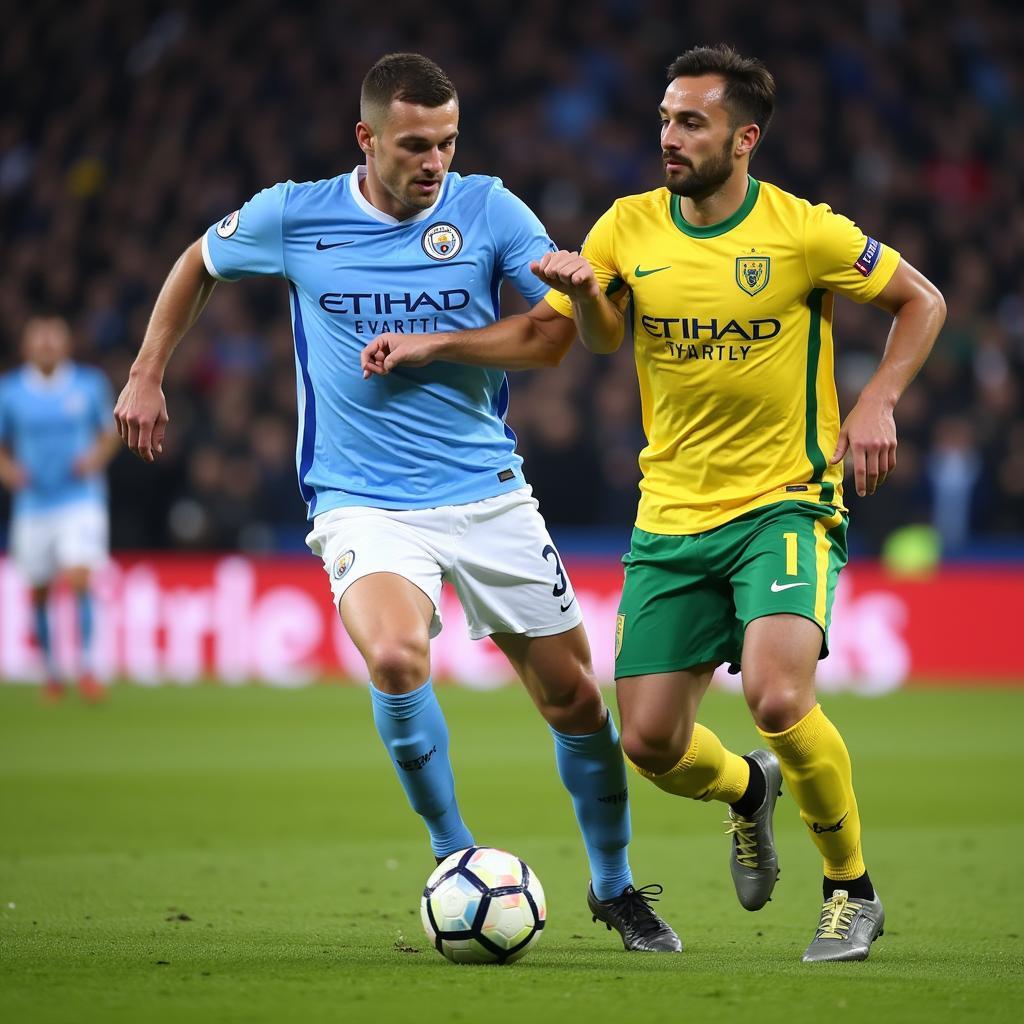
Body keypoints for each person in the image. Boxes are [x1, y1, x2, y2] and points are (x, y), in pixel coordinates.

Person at [360, 44, 946, 962]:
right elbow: (593, 340)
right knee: (648, 743)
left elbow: (923, 300)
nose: (668, 137)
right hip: (670, 516)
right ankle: (748, 794)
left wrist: (878, 400)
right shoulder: (626, 227)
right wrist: (586, 297)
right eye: (666, 119)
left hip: (783, 504)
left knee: (778, 696)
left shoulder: (805, 233)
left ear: (744, 138)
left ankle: (849, 888)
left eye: (692, 122)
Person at [113, 52, 680, 953]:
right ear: (366, 138)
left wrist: (435, 345)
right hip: (361, 500)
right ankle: (455, 858)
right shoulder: (297, 214)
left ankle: (614, 887)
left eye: (448, 143)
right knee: (394, 655)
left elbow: (552, 341)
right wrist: (147, 374)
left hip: (488, 493)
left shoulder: (489, 208)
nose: (435, 162)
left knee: (576, 701)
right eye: (415, 144)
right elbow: (197, 262)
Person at [0, 315, 118, 702]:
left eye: (54, 338)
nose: (47, 345)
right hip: (33, 505)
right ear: (26, 347)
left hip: (79, 500)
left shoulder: (88, 385)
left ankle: (86, 667)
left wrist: (94, 459)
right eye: (40, 339)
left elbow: (110, 432)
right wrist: (9, 471)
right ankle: (51, 671)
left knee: (81, 577)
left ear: (67, 345)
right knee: (39, 591)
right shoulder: (10, 392)